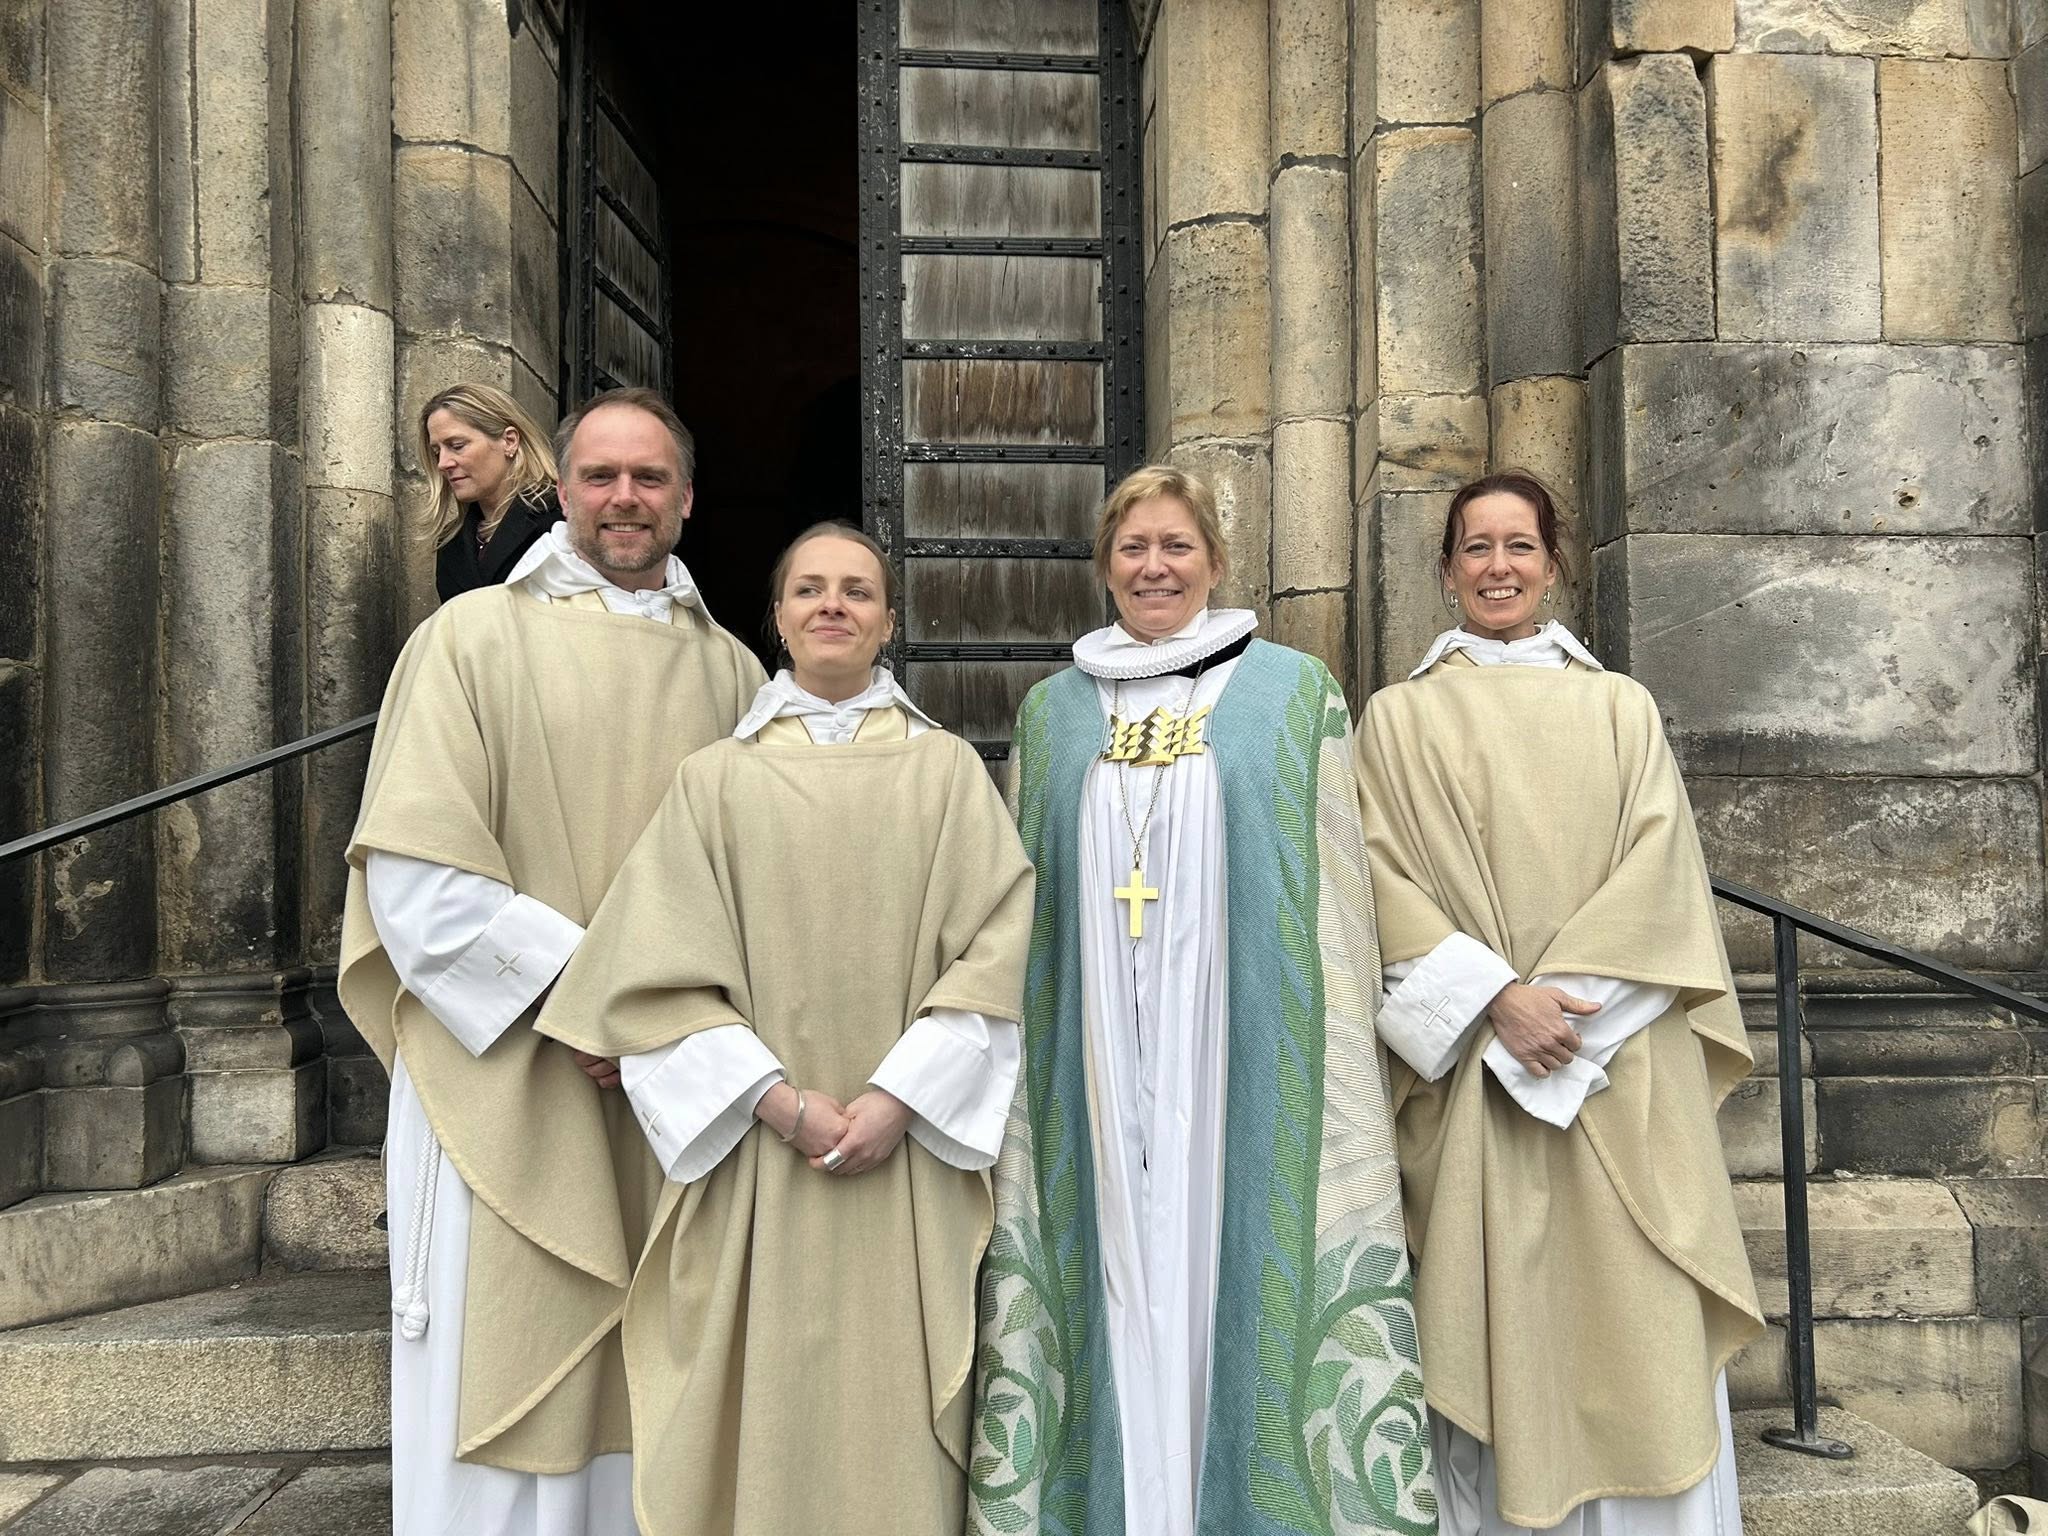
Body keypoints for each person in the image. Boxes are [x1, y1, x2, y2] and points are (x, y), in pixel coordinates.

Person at [536, 522, 1034, 1536]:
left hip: (906, 1155)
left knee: (890, 1402)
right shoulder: (714, 780)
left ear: (888, 622)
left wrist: (898, 1100)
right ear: (776, 617)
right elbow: (654, 976)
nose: (832, 606)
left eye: (856, 591)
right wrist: (779, 1105)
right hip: (758, 1155)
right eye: (809, 589)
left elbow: (997, 952)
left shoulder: (946, 774)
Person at [969, 465, 1434, 1535]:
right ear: (1104, 567)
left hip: (1237, 1055)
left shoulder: (1292, 692)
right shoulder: (1052, 712)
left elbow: (1333, 894)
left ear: (1215, 562)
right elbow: (1021, 898)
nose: (1154, 568)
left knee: (1233, 1257)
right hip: (1094, 1054)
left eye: (1176, 546)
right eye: (1132, 549)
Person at [337, 386, 767, 1536]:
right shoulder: (467, 642)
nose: (624, 498)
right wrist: (600, 1002)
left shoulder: (735, 677)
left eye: (648, 477)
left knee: (656, 1377)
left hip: (665, 1084)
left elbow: (764, 892)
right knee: (504, 1362)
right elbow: (419, 883)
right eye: (600, 475)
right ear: (560, 486)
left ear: (686, 498)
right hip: (510, 1071)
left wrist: (668, 1022)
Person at [1356, 470, 1764, 1535]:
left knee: (1639, 1322)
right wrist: (1498, 1001)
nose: (1497, 567)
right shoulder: (1395, 721)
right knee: (1500, 1337)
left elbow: (1660, 880)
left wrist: (1562, 1023)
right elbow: (1372, 885)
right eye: (1476, 547)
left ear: (1553, 564)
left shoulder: (1619, 707)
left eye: (1519, 546)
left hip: (1619, 1069)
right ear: (1446, 570)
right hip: (1476, 1080)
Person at [420, 382, 565, 602]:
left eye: (457, 445)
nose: (443, 463)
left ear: (509, 441)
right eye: (436, 451)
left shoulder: (561, 520)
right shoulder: (451, 543)